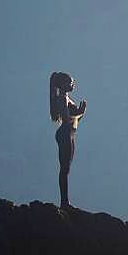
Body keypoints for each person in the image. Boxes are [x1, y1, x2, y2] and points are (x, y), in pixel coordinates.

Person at [49, 72, 86, 209]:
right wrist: (79, 111)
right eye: (70, 82)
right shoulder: (62, 98)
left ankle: (65, 201)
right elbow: (66, 118)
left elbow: (74, 120)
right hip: (65, 133)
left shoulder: (66, 98)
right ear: (62, 84)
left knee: (66, 169)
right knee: (64, 169)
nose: (72, 84)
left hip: (69, 133)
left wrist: (81, 112)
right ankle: (64, 202)